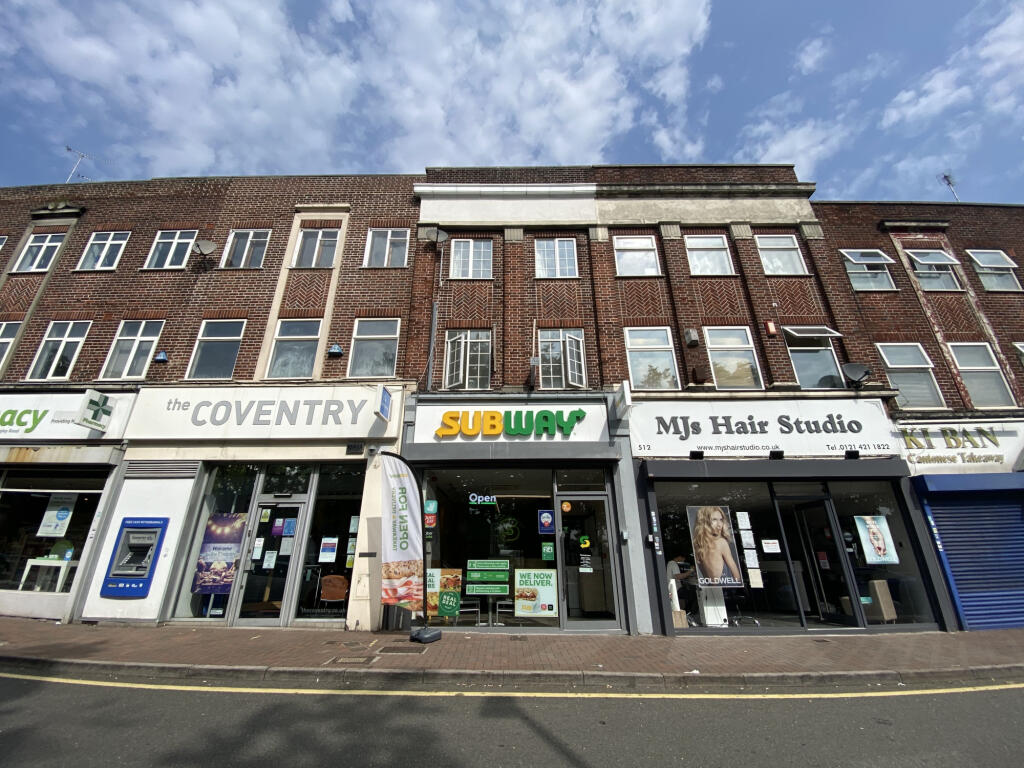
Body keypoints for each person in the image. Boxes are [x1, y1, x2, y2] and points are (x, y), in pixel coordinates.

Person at [691, 506, 742, 586]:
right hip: (727, 588)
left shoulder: (698, 546)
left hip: (713, 589)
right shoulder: (721, 542)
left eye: (721, 520)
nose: (719, 525)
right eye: (714, 519)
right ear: (704, 522)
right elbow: (737, 577)